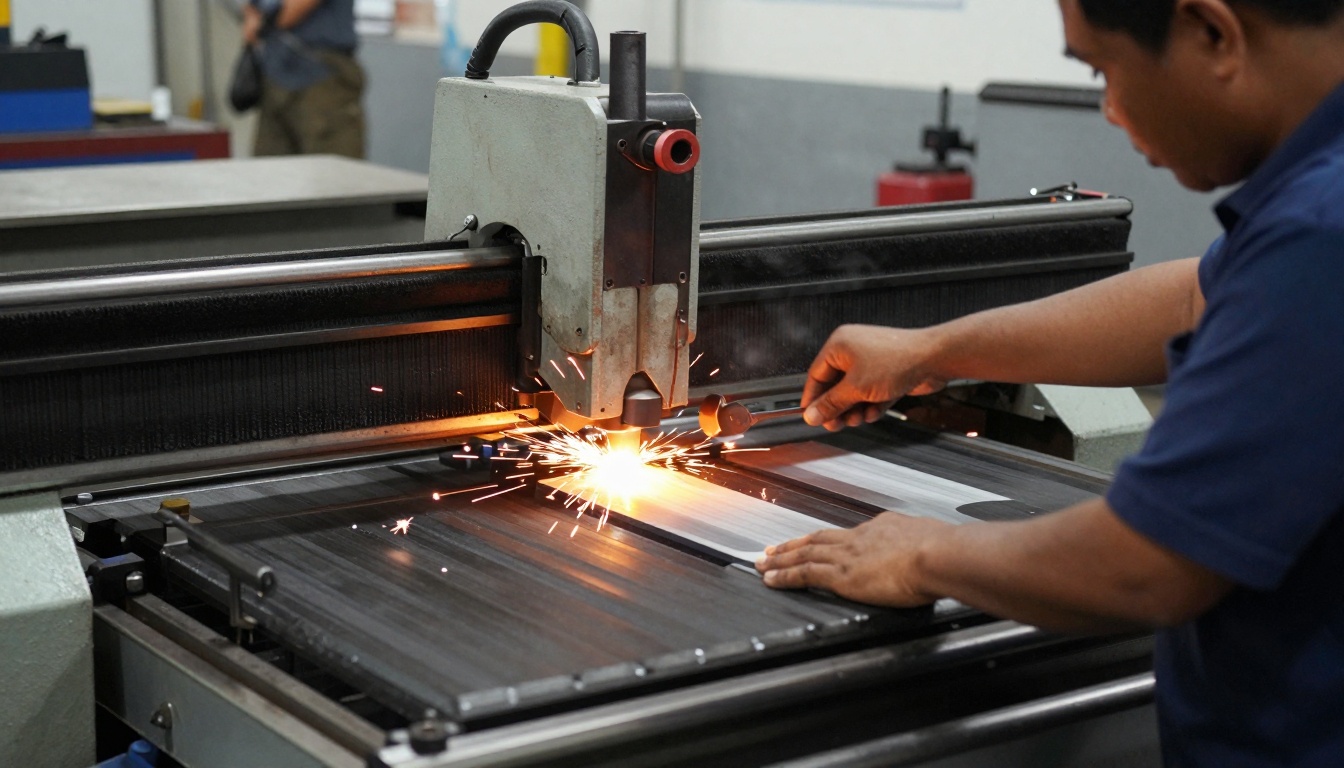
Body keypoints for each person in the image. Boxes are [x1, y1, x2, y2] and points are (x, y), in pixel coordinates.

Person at [754, 0, 1344, 764]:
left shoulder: (1321, 232)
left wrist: (923, 554)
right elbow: (1190, 299)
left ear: (1211, 31)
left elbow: (1146, 566)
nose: (1110, 109)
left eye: (1104, 69)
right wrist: (933, 350)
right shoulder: (1314, 199)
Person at [242, 0, 366, 158]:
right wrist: (255, 19)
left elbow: (287, 15)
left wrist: (261, 20)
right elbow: (252, 15)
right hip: (275, 76)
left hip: (322, 79)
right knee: (270, 167)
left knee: (333, 168)